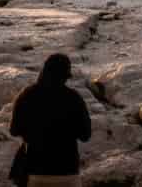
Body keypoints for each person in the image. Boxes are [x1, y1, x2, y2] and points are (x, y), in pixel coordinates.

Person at [9, 52, 92, 186]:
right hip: (68, 172)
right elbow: (85, 135)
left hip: (36, 171)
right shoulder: (73, 98)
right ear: (65, 76)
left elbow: (14, 130)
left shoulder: (27, 95)